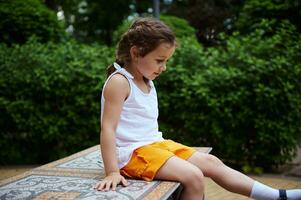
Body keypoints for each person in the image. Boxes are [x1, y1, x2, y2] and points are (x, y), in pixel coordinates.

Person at [94, 17, 301, 200]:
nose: (163, 67)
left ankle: (276, 196)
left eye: (166, 61)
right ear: (136, 53)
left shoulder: (147, 80)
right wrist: (112, 171)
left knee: (212, 162)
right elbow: (108, 129)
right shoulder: (120, 82)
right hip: (131, 154)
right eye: (159, 61)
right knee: (193, 176)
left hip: (154, 145)